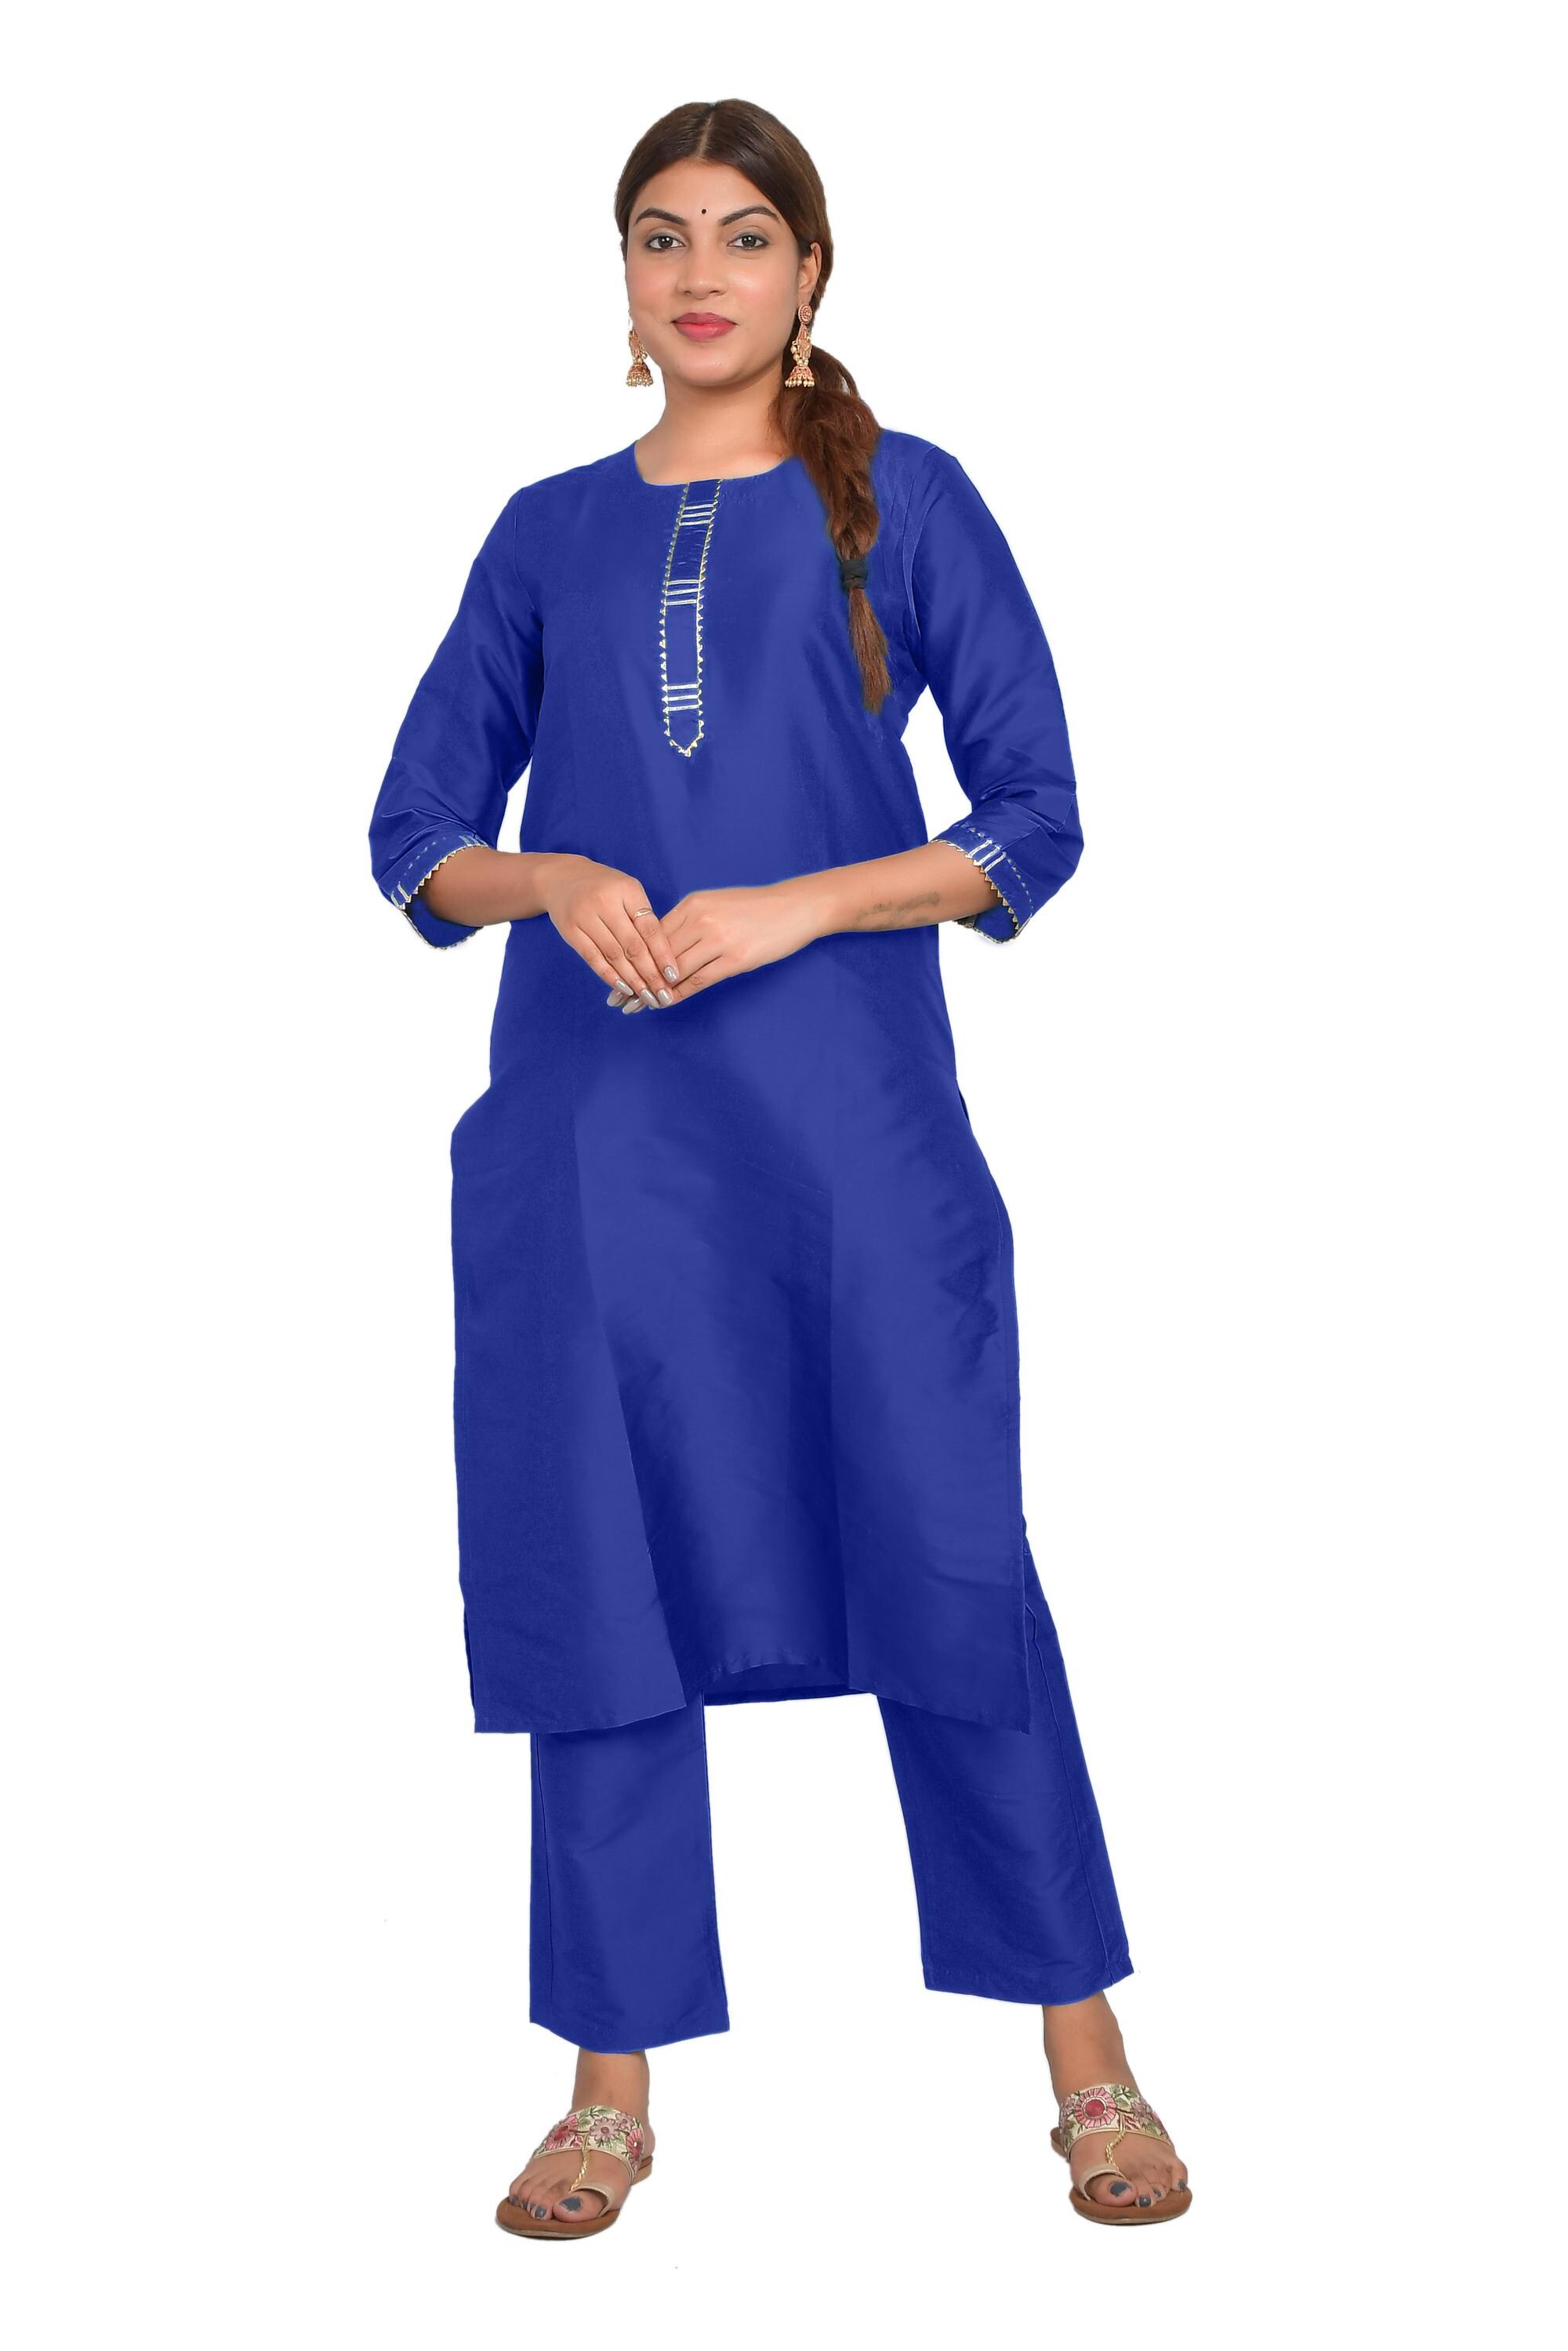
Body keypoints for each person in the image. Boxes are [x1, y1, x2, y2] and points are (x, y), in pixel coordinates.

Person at [367, 97, 1191, 2237]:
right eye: (661, 236)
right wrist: (553, 876)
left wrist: (801, 903)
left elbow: (1035, 814)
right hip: (594, 1144)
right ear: (623, 277)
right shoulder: (546, 531)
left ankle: (1088, 2055)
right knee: (600, 1567)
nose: (701, 273)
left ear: (812, 269)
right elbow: (414, 836)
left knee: (947, 1548)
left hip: (850, 1138)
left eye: (745, 235)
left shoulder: (901, 502)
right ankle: (607, 2087)